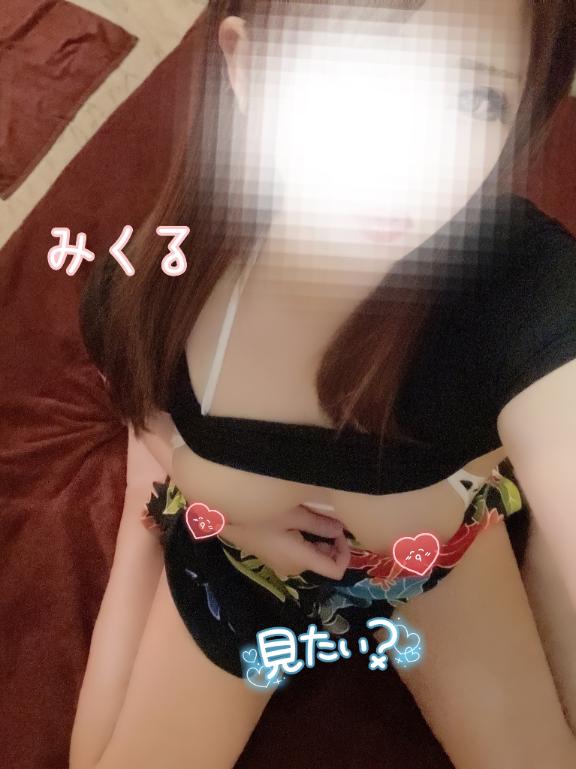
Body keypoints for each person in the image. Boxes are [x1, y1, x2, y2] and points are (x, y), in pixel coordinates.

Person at [70, 1, 576, 768]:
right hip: (240, 564)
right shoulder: (150, 295)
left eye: (475, 99)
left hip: (427, 563)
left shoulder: (521, 294)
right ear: (249, 66)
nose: (406, 157)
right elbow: (139, 392)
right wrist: (185, 491)